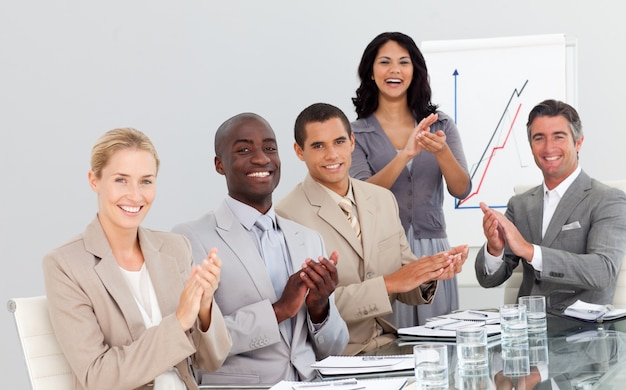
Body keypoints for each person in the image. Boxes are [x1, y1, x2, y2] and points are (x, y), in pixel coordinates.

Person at [42, 128, 231, 390]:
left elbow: (211, 361)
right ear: (94, 181)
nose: (135, 195)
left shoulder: (176, 248)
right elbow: (97, 377)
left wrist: (205, 307)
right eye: (121, 180)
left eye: (146, 181)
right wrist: (178, 323)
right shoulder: (65, 265)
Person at [276, 102, 468, 355]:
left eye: (339, 142)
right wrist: (388, 284)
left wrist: (430, 272)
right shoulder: (287, 215)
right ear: (299, 152)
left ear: (352, 143)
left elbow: (405, 276)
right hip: (337, 356)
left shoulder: (381, 199)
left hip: (391, 347)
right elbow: (309, 307)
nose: (332, 154)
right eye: (318, 146)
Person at [172, 113, 348, 385]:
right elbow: (196, 342)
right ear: (220, 164)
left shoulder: (309, 239)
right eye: (244, 150)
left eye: (269, 148)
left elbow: (334, 349)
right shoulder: (189, 238)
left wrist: (319, 308)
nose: (261, 159)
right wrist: (279, 310)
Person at [350, 32, 472, 327]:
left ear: (415, 70)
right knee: (393, 343)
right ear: (370, 71)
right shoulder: (354, 132)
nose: (395, 70)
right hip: (383, 255)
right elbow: (359, 195)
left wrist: (441, 152)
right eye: (385, 62)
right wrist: (404, 154)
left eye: (404, 62)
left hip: (434, 249)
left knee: (441, 349)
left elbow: (461, 189)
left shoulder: (440, 124)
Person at [475, 99, 626, 308]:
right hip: (525, 329)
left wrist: (530, 251)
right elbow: (489, 280)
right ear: (531, 146)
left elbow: (602, 271)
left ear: (578, 142)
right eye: (539, 138)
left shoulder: (608, 200)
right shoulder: (519, 205)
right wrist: (494, 249)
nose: (548, 147)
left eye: (558, 137)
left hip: (581, 333)